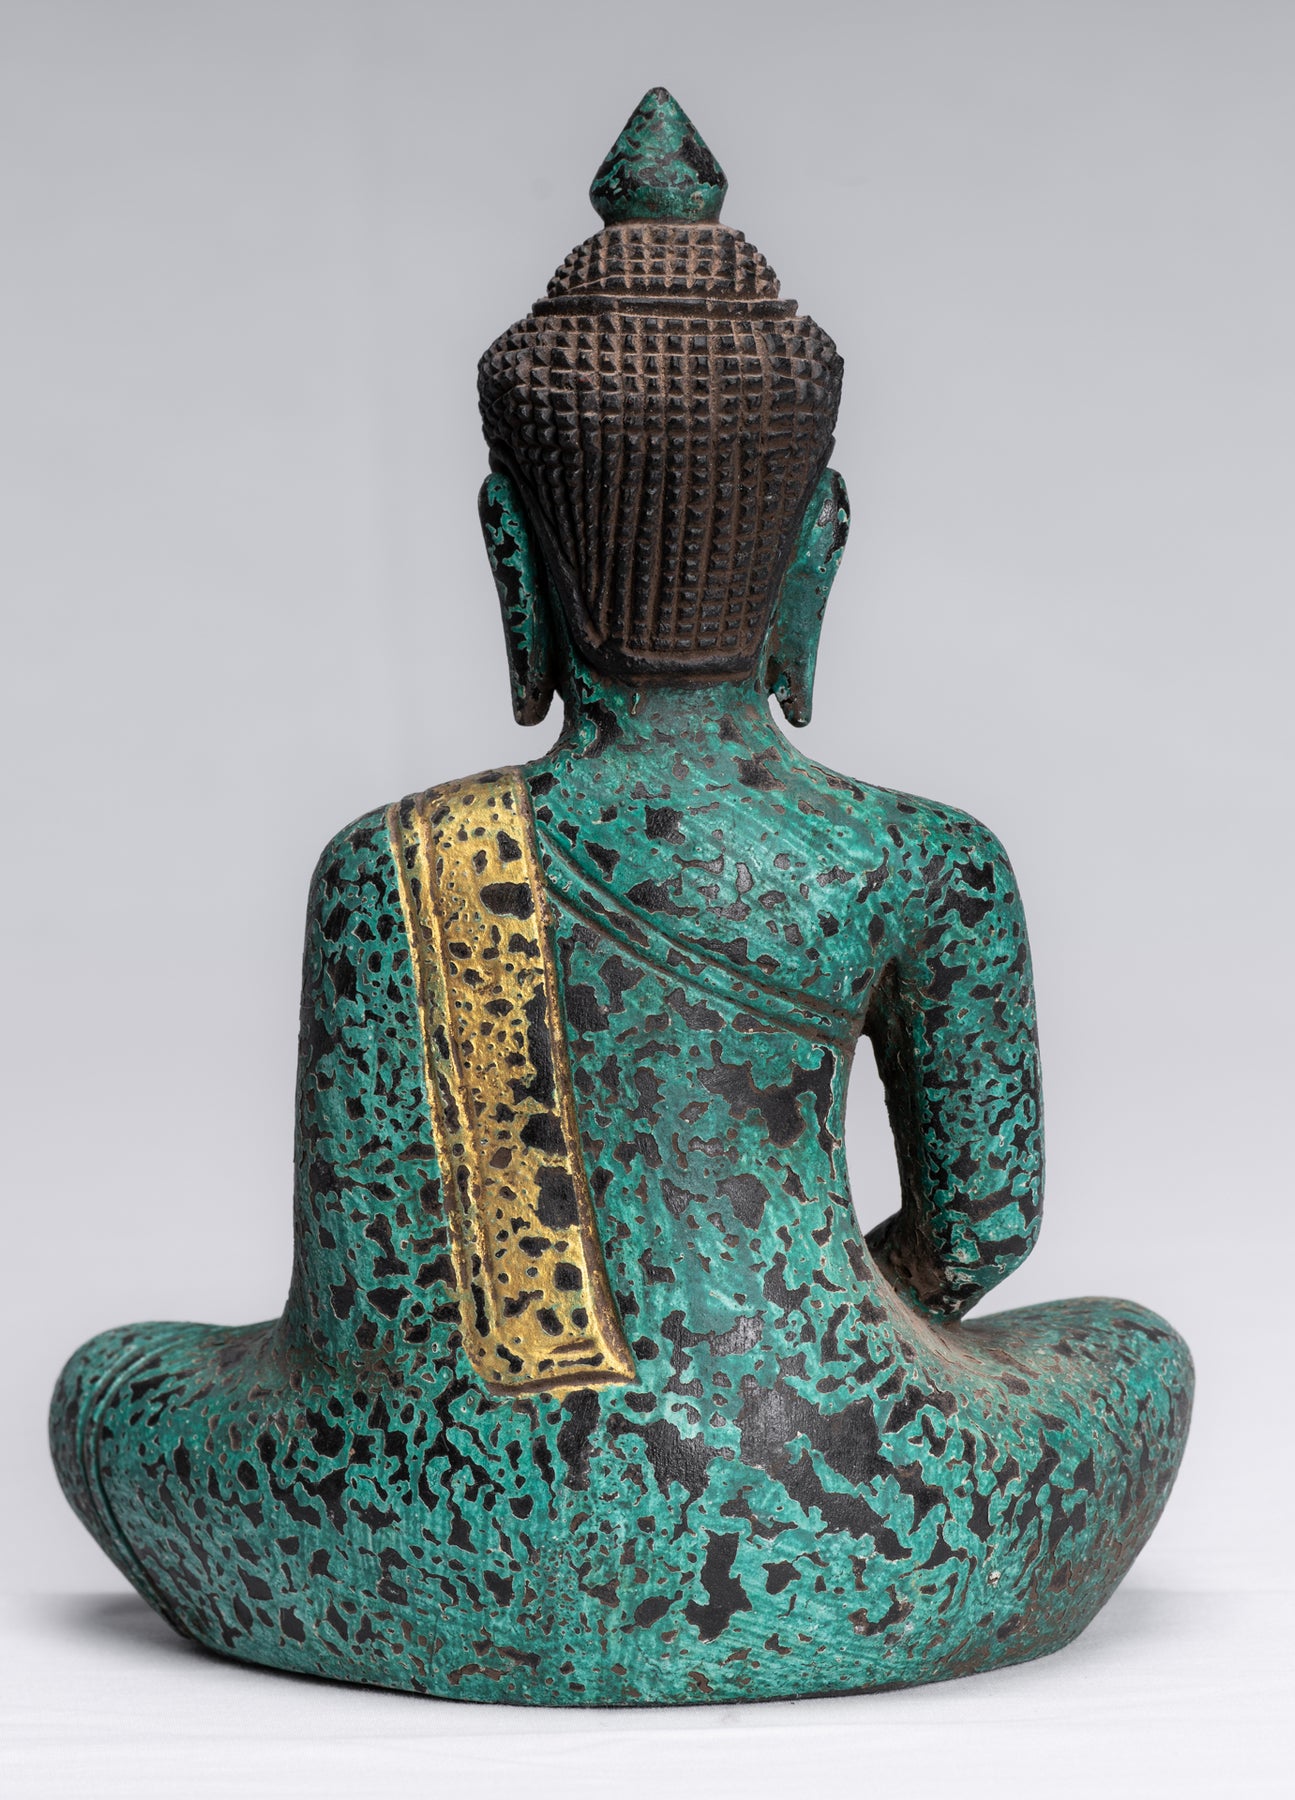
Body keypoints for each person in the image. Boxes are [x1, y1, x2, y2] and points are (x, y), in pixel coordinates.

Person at [52, 89, 1191, 1705]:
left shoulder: (395, 869)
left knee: (113, 1387)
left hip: (418, 1527)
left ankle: (507, 1581)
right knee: (1131, 1355)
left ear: (510, 560)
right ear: (817, 554)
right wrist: (780, 1341)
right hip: (848, 1500)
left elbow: (358, 1326)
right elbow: (981, 1234)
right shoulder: (917, 861)